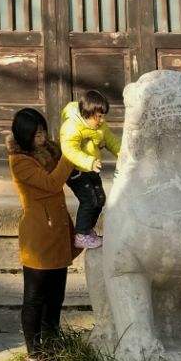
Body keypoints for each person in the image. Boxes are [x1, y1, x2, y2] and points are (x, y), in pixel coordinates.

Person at [6, 106, 77, 361]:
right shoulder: (20, 161)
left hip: (58, 231)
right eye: (36, 134)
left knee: (56, 297)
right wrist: (69, 157)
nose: (42, 137)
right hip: (38, 236)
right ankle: (33, 354)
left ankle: (52, 347)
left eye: (43, 131)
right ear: (24, 136)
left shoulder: (50, 151)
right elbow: (51, 183)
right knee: (34, 297)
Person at [58, 89, 121, 250]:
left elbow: (111, 141)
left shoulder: (100, 126)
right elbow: (69, 150)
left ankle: (88, 230)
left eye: (103, 116)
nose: (101, 120)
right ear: (87, 113)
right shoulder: (72, 127)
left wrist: (123, 154)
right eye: (98, 116)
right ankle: (81, 235)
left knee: (100, 199)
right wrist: (89, 161)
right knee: (89, 200)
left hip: (92, 168)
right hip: (76, 170)